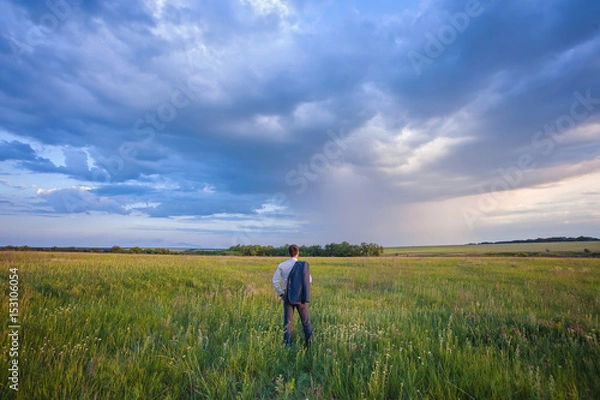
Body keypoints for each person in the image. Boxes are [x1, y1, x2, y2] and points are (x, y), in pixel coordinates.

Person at [272, 244, 313, 347]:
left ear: (288, 253)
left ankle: (287, 346)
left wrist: (281, 294)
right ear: (297, 253)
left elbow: (275, 281)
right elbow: (309, 280)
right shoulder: (302, 266)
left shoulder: (282, 265)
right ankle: (309, 345)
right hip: (301, 296)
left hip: (288, 296)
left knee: (288, 323)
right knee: (306, 322)